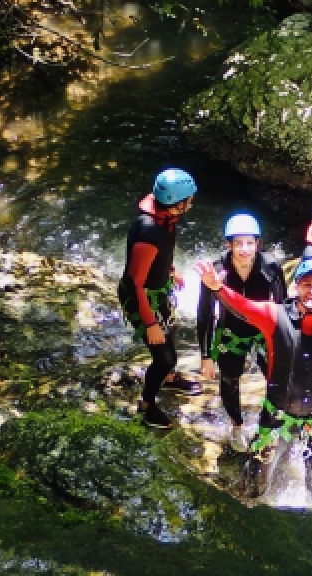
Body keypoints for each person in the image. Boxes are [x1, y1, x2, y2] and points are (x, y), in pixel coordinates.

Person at [196, 258, 312, 497]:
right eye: (306, 284)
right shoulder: (275, 317)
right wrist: (218, 288)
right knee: (256, 482)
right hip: (276, 415)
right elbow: (243, 306)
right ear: (296, 287)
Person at [196, 213, 287, 452]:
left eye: (250, 243)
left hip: (261, 330)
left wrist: (285, 345)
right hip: (231, 331)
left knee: (275, 377)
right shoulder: (216, 271)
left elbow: (282, 307)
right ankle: (237, 425)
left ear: (258, 243)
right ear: (229, 245)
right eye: (238, 243)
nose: (245, 249)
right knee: (229, 379)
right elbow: (205, 313)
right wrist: (206, 356)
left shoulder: (270, 266)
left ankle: (273, 422)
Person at [119, 168, 201, 429]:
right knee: (164, 355)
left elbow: (161, 256)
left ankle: (168, 377)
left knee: (172, 329)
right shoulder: (149, 232)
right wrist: (150, 323)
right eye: (188, 199)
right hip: (141, 296)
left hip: (158, 287)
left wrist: (172, 272)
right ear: (176, 204)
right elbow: (135, 282)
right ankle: (146, 406)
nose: (191, 203)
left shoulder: (165, 220)